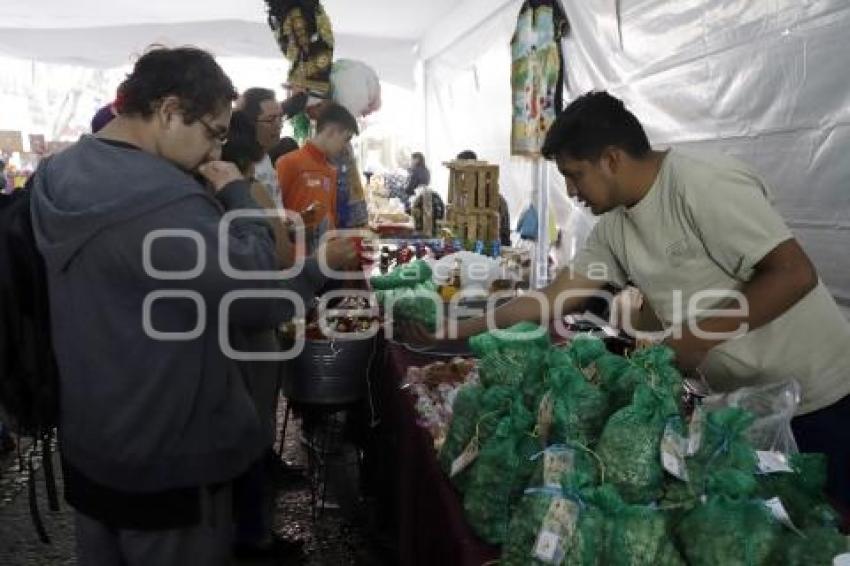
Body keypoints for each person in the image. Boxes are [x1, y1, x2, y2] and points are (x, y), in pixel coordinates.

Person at [403, 91, 850, 512]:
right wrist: (451, 329)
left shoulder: (700, 183)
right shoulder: (615, 226)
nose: (573, 192)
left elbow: (795, 273)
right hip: (748, 405)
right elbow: (551, 299)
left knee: (832, 519)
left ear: (611, 159)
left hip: (819, 396)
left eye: (575, 175)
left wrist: (695, 338)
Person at [29, 46, 358, 566]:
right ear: (167, 111)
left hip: (88, 442)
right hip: (169, 454)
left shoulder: (56, 173)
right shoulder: (167, 200)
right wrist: (240, 199)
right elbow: (259, 297)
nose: (214, 150)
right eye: (212, 131)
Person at [219, 111, 301, 560]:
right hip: (250, 331)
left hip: (227, 332)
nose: (276, 125)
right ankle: (254, 538)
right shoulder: (245, 193)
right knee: (253, 428)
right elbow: (281, 259)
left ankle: (246, 531)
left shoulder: (200, 194)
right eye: (268, 119)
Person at [276, 102, 359, 253]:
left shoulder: (331, 171)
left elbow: (330, 218)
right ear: (331, 131)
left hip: (326, 261)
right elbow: (276, 216)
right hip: (297, 263)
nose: (346, 146)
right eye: (346, 139)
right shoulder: (288, 163)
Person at [235, 88, 285, 210]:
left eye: (280, 118)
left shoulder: (265, 157)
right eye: (270, 120)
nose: (279, 126)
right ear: (249, 123)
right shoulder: (241, 164)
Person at [456, 150, 511, 246]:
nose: (462, 178)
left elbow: (500, 230)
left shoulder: (486, 196)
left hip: (492, 246)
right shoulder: (469, 195)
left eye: (462, 173)